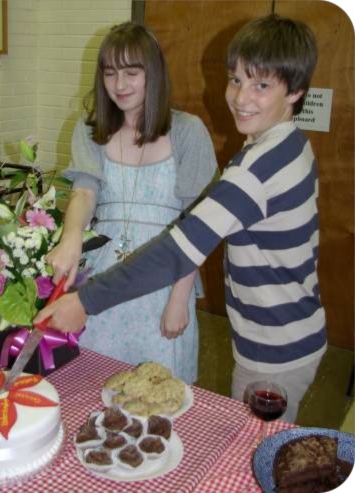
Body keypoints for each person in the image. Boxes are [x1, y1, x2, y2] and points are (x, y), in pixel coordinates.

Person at [36, 13, 326, 423]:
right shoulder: (286, 145)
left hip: (275, 344)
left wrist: (84, 301)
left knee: (254, 444)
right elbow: (86, 192)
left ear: (295, 91)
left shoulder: (256, 167)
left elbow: (178, 249)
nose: (241, 98)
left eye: (261, 85)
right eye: (237, 80)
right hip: (278, 331)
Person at [44, 22, 218, 384]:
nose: (119, 85)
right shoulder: (92, 129)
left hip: (165, 277)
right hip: (103, 276)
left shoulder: (188, 131)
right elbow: (85, 193)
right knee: (95, 382)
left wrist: (179, 299)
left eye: (131, 72)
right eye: (110, 73)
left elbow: (197, 224)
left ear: (152, 72)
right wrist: (70, 236)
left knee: (156, 390)